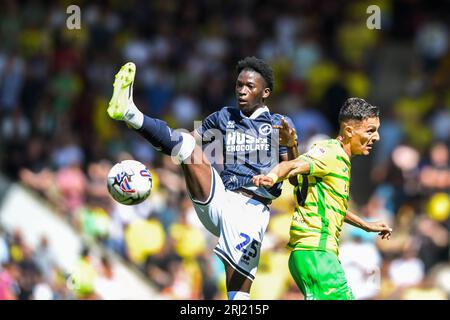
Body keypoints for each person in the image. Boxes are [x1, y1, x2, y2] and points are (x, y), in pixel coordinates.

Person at [107, 57, 298, 300]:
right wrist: (162, 152)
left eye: (249, 86)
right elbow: (186, 139)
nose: (242, 90)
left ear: (265, 91)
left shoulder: (278, 124)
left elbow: (293, 176)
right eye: (239, 85)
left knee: (238, 296)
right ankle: (130, 112)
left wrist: (291, 145)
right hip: (220, 197)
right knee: (186, 146)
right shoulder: (224, 117)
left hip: (251, 209)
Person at [252, 97, 393, 300]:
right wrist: (272, 176)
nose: (377, 137)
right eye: (370, 130)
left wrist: (366, 225)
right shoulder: (330, 153)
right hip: (317, 252)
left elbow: (329, 203)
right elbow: (291, 167)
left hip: (309, 254)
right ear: (349, 131)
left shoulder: (339, 160)